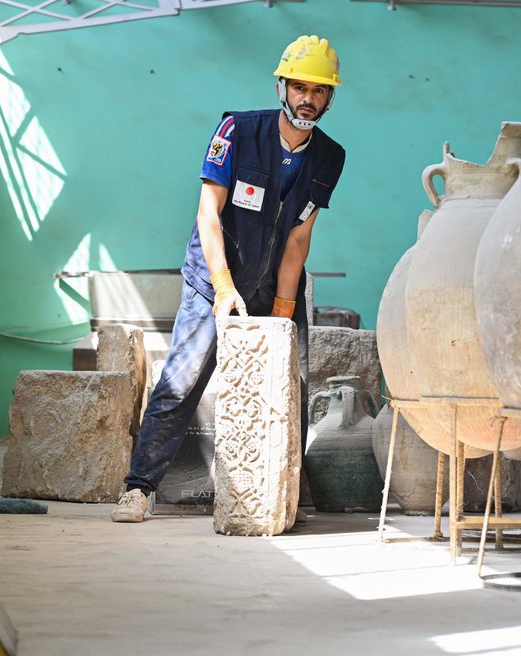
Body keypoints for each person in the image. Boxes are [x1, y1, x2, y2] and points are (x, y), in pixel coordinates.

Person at [112, 35, 346, 523]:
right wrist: (221, 286)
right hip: (213, 279)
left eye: (319, 91)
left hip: (275, 286)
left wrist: (283, 311)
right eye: (300, 87)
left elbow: (299, 238)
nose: (308, 98)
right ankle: (138, 489)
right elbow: (209, 213)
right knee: (181, 382)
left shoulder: (329, 157)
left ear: (330, 97)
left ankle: (279, 491)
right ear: (281, 86)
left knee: (287, 388)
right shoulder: (237, 130)